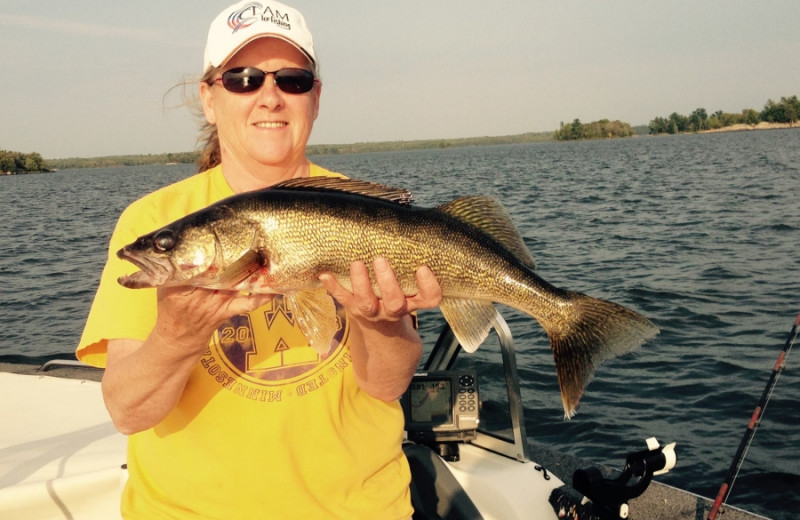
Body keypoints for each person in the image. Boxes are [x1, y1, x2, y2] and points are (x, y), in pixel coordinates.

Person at [77, 2, 442, 518]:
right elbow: (128, 411)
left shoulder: (366, 217)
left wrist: (382, 327)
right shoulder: (152, 218)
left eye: (292, 80)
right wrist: (176, 336)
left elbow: (384, 385)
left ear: (315, 99)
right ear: (209, 98)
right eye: (243, 79)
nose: (269, 97)